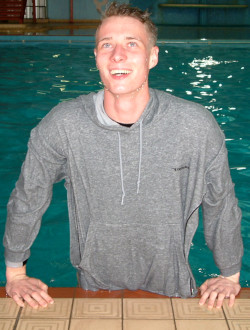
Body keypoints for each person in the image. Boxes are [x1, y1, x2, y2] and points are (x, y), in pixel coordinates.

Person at [4, 1, 243, 310]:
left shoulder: (194, 125)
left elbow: (220, 202)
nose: (118, 55)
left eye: (132, 43)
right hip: (94, 287)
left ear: (152, 56)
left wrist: (231, 276)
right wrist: (15, 273)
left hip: (173, 286)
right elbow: (29, 194)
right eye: (107, 45)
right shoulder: (63, 124)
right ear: (96, 57)